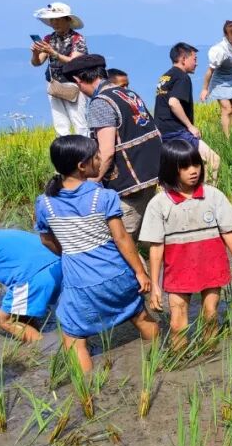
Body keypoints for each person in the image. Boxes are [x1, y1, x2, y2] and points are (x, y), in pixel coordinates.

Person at [35, 136, 159, 373]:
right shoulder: (103, 196)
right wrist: (140, 273)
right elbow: (122, 239)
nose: (101, 158)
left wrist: (69, 253)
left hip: (80, 282)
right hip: (116, 274)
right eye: (96, 156)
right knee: (140, 316)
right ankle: (159, 365)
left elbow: (46, 240)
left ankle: (88, 393)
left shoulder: (45, 203)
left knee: (73, 337)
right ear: (82, 166)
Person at [139, 139, 232, 350]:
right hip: (178, 270)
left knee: (210, 314)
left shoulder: (212, 196)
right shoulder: (160, 203)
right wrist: (155, 285)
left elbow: (228, 232)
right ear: (171, 170)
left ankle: (209, 354)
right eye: (185, 167)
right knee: (177, 322)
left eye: (196, 165)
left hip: (212, 265)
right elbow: (156, 248)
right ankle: (180, 361)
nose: (193, 171)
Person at [64, 54, 163, 236]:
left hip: (128, 181)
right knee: (149, 235)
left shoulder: (101, 102)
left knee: (121, 241)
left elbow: (107, 151)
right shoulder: (128, 93)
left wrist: (91, 183)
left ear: (79, 80)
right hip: (152, 171)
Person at [0, 204, 62, 343]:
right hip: (60, 266)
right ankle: (34, 334)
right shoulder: (7, 232)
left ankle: (44, 348)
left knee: (4, 320)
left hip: (32, 277)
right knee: (21, 313)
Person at [153, 43, 221, 184]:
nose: (196, 63)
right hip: (177, 131)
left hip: (162, 133)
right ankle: (206, 197)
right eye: (194, 59)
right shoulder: (182, 77)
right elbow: (173, 102)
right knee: (213, 160)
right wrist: (190, 126)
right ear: (184, 59)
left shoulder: (165, 77)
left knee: (179, 171)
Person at [30, 2, 89, 137]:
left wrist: (53, 53)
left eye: (58, 19)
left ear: (67, 20)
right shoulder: (48, 39)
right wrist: (35, 52)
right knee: (60, 124)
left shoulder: (77, 39)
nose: (54, 23)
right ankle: (64, 154)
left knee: (79, 123)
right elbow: (37, 62)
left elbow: (74, 61)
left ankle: (86, 153)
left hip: (75, 84)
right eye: (52, 20)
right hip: (54, 84)